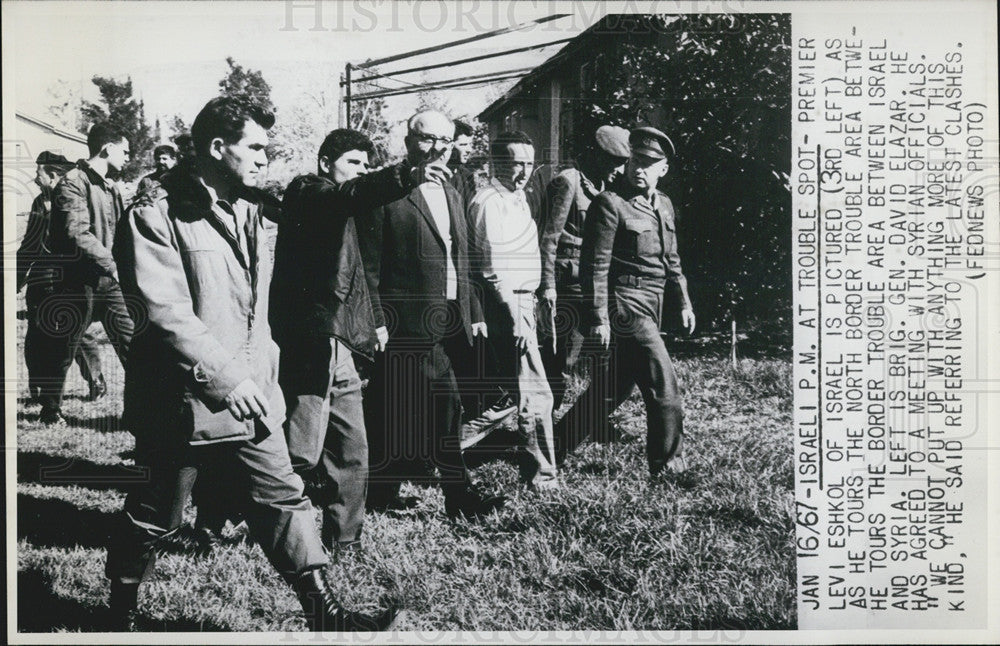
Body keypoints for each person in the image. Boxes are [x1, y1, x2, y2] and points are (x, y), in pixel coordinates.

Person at [107, 97, 398, 632]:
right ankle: (119, 611)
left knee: (283, 495)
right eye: (256, 147)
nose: (266, 158)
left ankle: (324, 614)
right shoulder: (155, 213)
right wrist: (225, 376)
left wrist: (261, 375)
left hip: (254, 389)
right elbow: (165, 311)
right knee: (159, 512)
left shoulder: (252, 209)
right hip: (183, 398)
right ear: (218, 148)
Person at [271, 128, 450, 550]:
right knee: (300, 452)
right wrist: (408, 172)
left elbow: (357, 277)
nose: (360, 172)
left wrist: (368, 329)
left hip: (341, 344)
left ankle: (344, 541)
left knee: (352, 450)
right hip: (311, 340)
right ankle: (228, 512)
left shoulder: (345, 207)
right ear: (323, 163)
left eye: (365, 166)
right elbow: (347, 196)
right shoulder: (307, 192)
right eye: (353, 162)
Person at [359, 109, 503, 519]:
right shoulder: (384, 191)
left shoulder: (454, 190)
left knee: (389, 402)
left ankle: (378, 488)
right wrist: (377, 319)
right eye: (428, 139)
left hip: (451, 317)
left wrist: (472, 309)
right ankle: (460, 498)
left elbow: (463, 255)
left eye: (446, 140)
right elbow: (368, 265)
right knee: (446, 403)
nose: (438, 148)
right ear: (408, 140)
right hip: (407, 320)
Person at [555, 126, 695, 476]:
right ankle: (669, 467)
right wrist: (598, 316)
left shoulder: (663, 204)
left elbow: (671, 259)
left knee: (612, 387)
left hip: (654, 302)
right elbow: (595, 265)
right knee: (664, 384)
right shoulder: (611, 202)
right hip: (625, 305)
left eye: (649, 163)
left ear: (664, 168)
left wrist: (684, 302)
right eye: (635, 160)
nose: (639, 168)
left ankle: (552, 448)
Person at [468, 131, 558, 489]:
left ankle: (434, 451)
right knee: (535, 394)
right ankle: (544, 475)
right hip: (509, 302)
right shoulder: (489, 201)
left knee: (507, 394)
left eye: (527, 163)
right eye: (513, 163)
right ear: (495, 164)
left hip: (526, 300)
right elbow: (490, 269)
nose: (521, 171)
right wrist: (512, 316)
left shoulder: (518, 198)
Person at [44, 123, 134, 426]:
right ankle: (51, 408)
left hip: (109, 282)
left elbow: (120, 233)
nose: (128, 158)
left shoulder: (110, 186)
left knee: (132, 344)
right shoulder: (72, 183)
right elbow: (77, 235)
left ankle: (141, 412)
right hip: (77, 282)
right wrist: (114, 264)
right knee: (65, 348)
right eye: (125, 150)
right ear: (107, 148)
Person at [538, 125, 630, 409]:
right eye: (613, 162)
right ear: (596, 156)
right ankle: (548, 422)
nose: (618, 170)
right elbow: (548, 237)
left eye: (621, 164)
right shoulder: (569, 182)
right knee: (563, 359)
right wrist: (548, 285)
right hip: (568, 285)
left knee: (605, 353)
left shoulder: (605, 187)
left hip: (595, 284)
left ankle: (597, 416)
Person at [17, 151, 106, 404]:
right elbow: (30, 244)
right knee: (37, 334)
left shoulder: (76, 197)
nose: (35, 180)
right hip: (43, 279)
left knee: (77, 334)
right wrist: (17, 279)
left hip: (73, 278)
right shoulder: (39, 203)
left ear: (53, 175)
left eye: (39, 174)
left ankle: (95, 380)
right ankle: (40, 389)